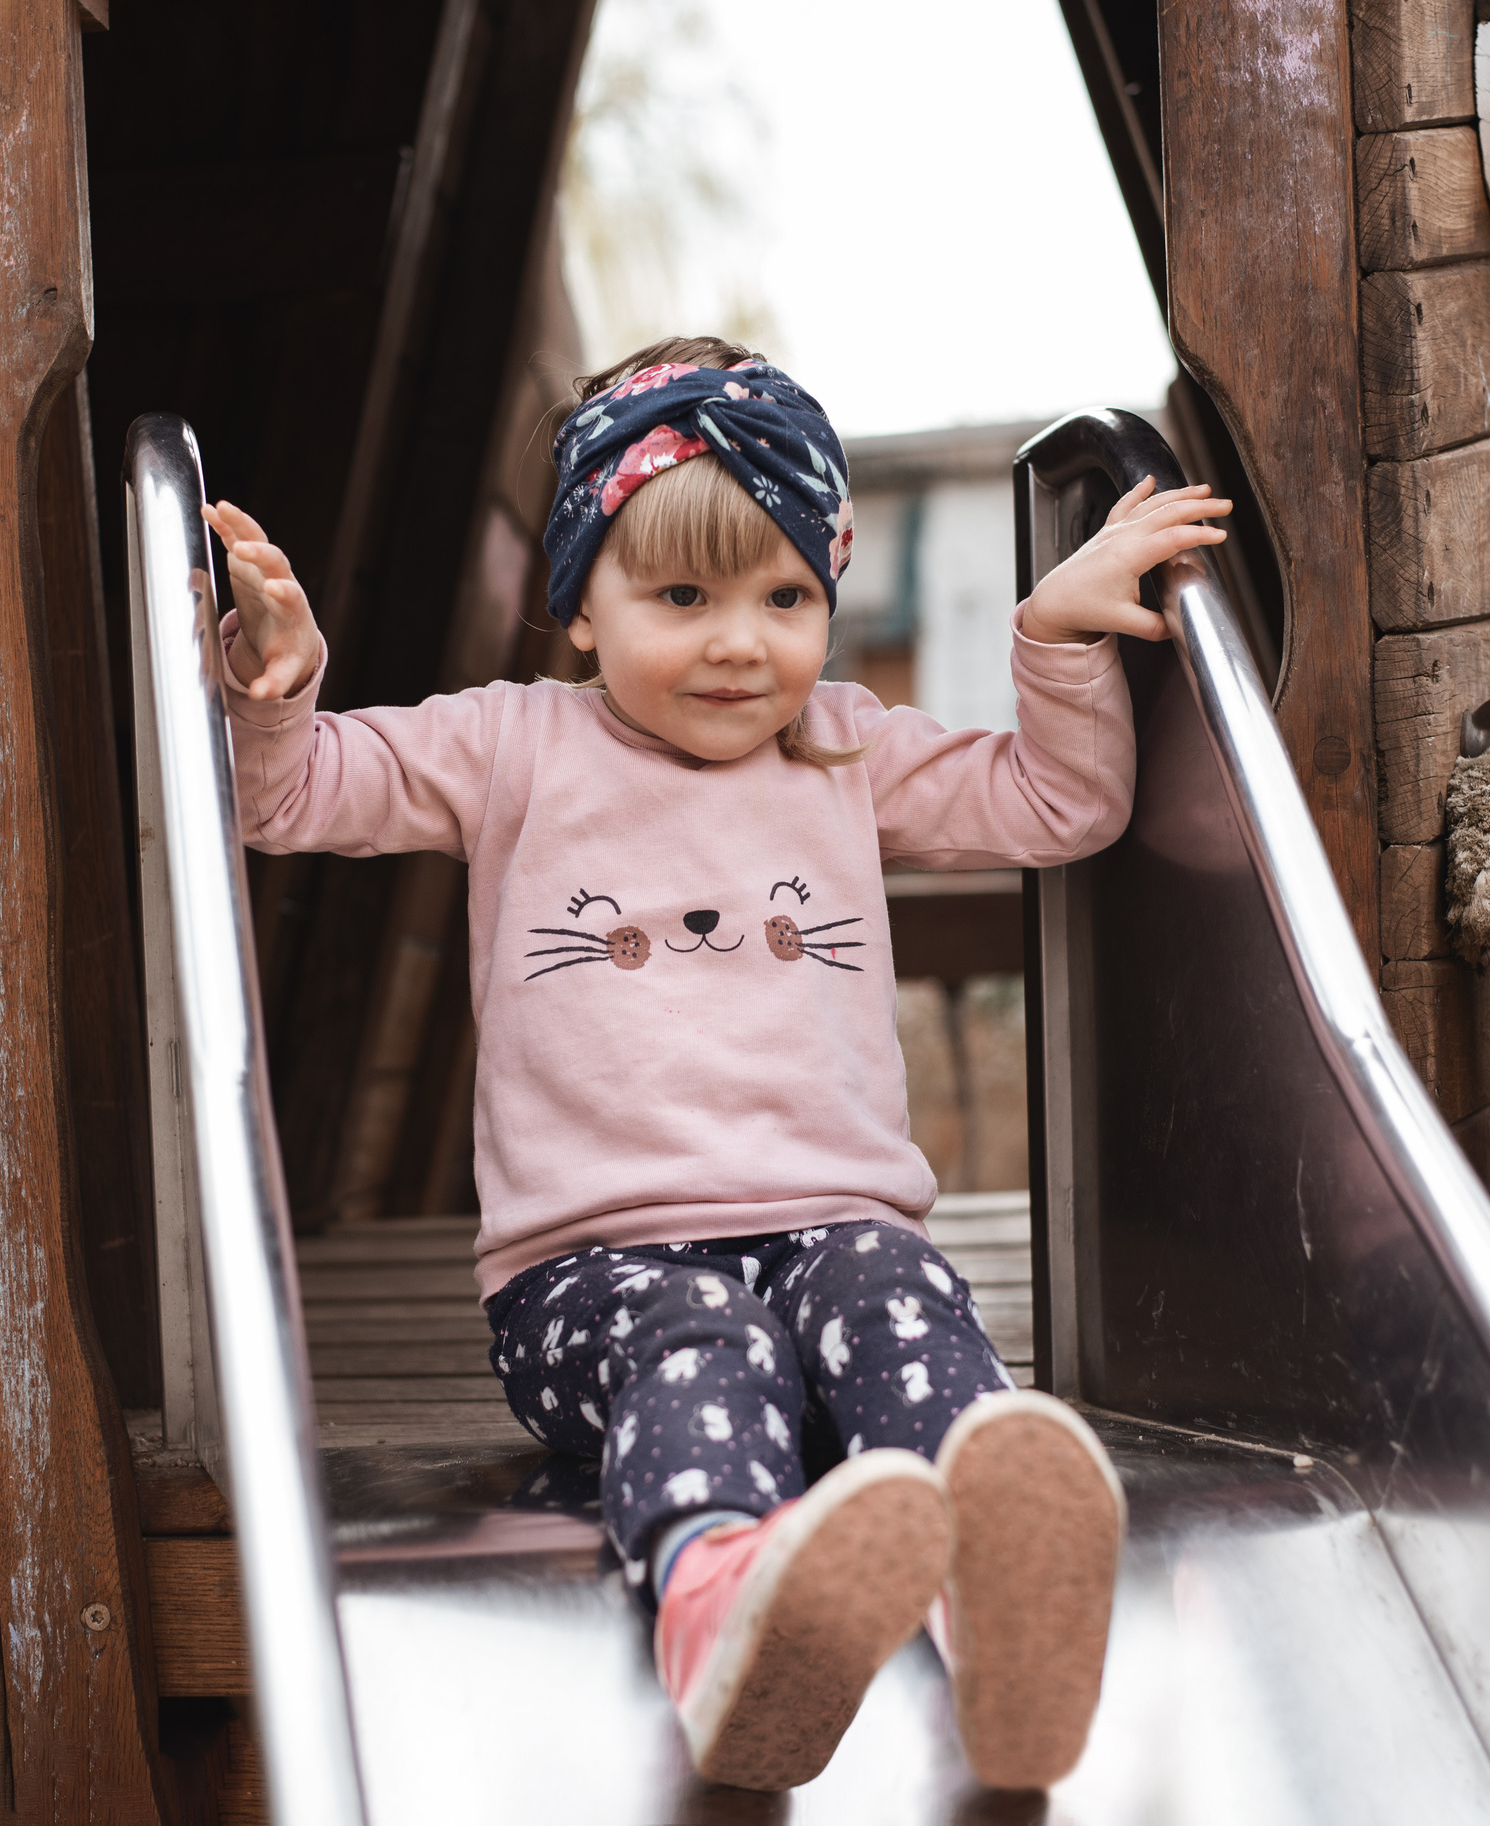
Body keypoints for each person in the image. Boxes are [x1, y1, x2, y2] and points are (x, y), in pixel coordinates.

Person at [205, 336, 1230, 1793]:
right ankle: (724, 1616)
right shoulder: (512, 748)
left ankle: (993, 1609)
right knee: (702, 1335)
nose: (741, 639)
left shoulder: (842, 749)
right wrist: (272, 693)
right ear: (578, 606)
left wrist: (1054, 637)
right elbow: (297, 796)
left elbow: (1057, 802)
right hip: (591, 1275)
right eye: (681, 596)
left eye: (786, 595)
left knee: (898, 1292)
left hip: (831, 1232)